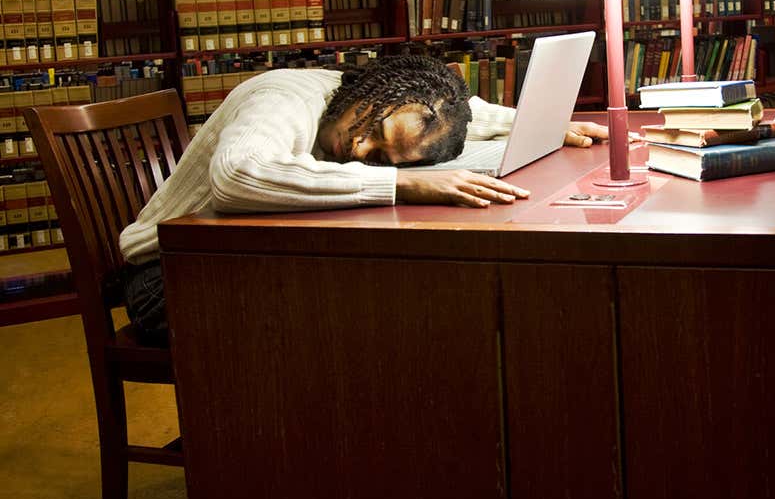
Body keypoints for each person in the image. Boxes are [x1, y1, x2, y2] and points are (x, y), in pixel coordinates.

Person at [118, 54, 608, 341]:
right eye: (373, 131)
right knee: (362, 317)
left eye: (382, 158)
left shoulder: (379, 101)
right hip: (169, 277)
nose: (358, 150)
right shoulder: (283, 98)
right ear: (375, 95)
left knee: (389, 307)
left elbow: (463, 112)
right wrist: (401, 182)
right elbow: (237, 175)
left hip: (246, 258)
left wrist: (544, 126)